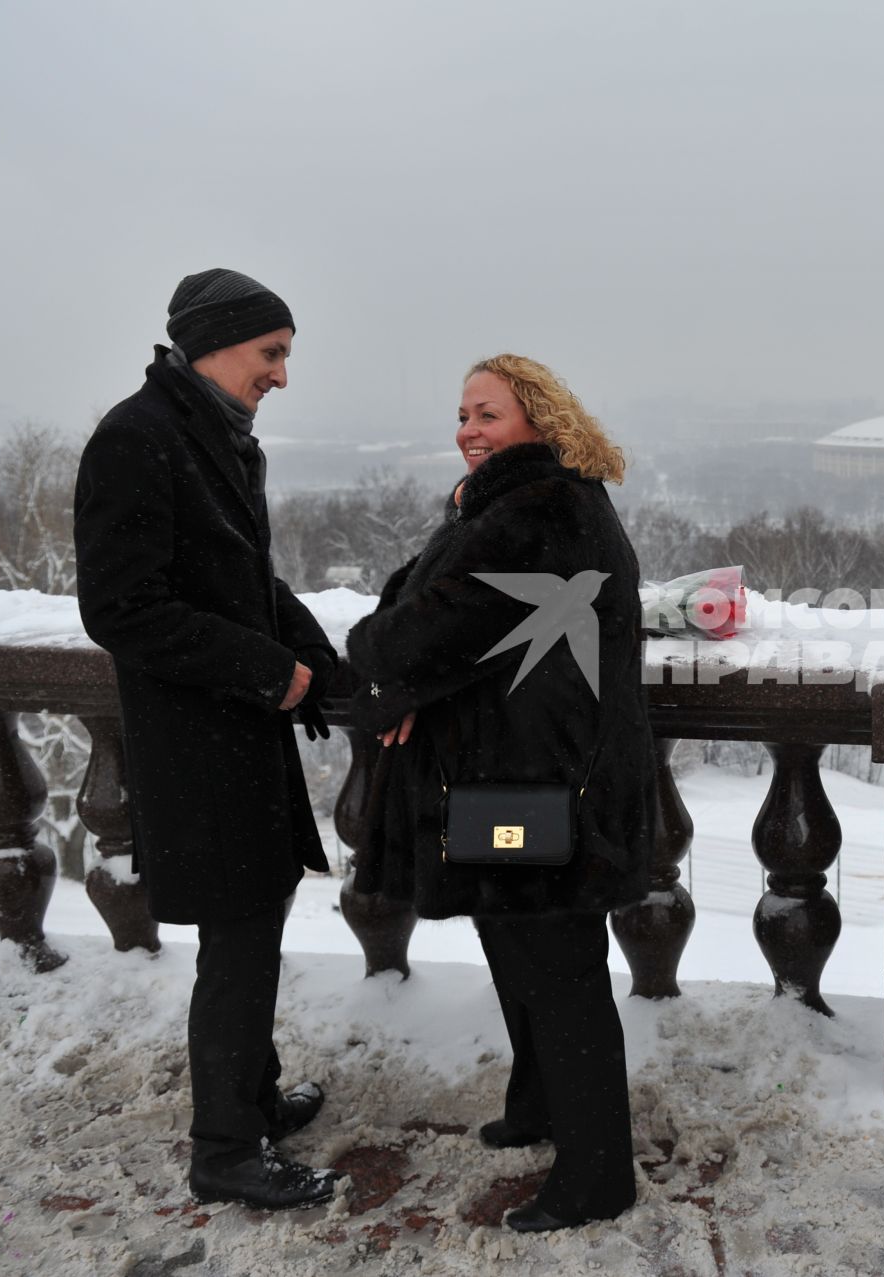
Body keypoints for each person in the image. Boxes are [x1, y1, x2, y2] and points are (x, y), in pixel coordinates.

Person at [345, 354, 655, 1234]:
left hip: (541, 777)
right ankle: (539, 1104)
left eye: (487, 414)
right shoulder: (516, 504)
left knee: (558, 974)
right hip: (530, 771)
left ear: (539, 422)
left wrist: (386, 667)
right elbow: (431, 608)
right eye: (463, 414)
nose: (469, 430)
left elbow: (409, 633)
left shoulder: (533, 510)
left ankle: (598, 1174)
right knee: (523, 954)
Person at [74, 269, 338, 1210]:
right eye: (271, 353)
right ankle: (225, 1147)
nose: (279, 375)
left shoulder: (216, 434)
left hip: (236, 732)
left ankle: (254, 1099)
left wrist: (315, 658)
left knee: (252, 924)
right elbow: (121, 607)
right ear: (216, 343)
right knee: (236, 943)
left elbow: (247, 579)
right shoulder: (136, 437)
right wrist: (267, 670)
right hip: (195, 738)